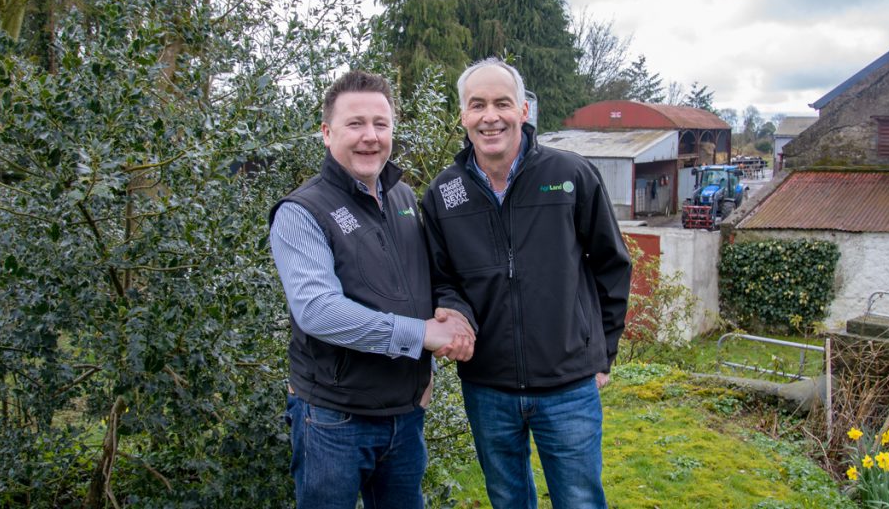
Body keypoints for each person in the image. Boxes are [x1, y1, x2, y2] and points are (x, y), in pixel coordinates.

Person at [420, 57, 632, 509]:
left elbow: (612, 265)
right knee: (507, 499)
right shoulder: (443, 194)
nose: (490, 116)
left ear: (523, 110)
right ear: (463, 115)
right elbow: (441, 279)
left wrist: (602, 353)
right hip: (488, 386)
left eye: (502, 103)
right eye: (477, 105)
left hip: (568, 383)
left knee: (580, 500)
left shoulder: (571, 175)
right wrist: (454, 312)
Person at [269, 70, 475, 509]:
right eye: (355, 124)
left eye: (381, 124)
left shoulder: (403, 198)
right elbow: (319, 311)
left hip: (404, 416)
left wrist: (450, 318)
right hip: (334, 419)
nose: (370, 136)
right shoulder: (301, 212)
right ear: (327, 133)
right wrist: (421, 335)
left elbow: (429, 279)